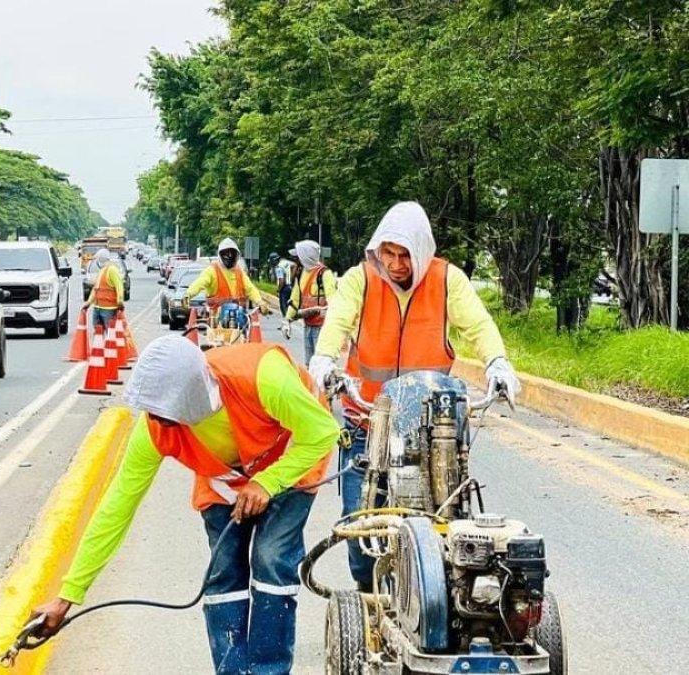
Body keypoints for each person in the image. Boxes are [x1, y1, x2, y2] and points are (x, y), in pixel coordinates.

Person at [30, 336, 340, 674]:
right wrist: (67, 597)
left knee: (271, 557)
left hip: (295, 457)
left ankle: (269, 670)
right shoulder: (155, 429)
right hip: (226, 481)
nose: (157, 422)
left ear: (191, 400)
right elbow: (116, 509)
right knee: (224, 571)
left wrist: (268, 481)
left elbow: (323, 432)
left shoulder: (263, 376)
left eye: (165, 415)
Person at [307, 201, 522, 592]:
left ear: (421, 252)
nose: (395, 263)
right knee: (360, 526)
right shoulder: (361, 279)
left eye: (404, 254)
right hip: (368, 422)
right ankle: (368, 599)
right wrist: (323, 360)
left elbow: (478, 324)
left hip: (434, 428)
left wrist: (497, 363)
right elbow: (337, 321)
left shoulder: (446, 280)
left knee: (446, 523)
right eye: (387, 253)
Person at [283, 240, 337, 363]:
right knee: (309, 363)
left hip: (322, 328)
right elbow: (295, 300)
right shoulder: (302, 273)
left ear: (306, 257)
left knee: (322, 364)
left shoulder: (324, 274)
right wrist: (287, 320)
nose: (297, 259)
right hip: (308, 326)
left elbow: (333, 302)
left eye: (299, 256)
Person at [184, 238, 266, 312]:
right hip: (216, 320)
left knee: (254, 326)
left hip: (240, 319)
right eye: (226, 253)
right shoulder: (212, 271)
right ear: (220, 255)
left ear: (237, 255)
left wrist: (260, 302)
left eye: (232, 253)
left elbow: (250, 289)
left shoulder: (239, 272)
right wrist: (188, 295)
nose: (230, 256)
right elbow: (199, 284)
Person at [83, 248, 125, 332]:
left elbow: (119, 286)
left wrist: (120, 301)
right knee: (98, 333)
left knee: (110, 333)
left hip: (109, 308)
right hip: (98, 308)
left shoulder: (112, 270)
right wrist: (88, 303)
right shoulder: (102, 271)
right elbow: (96, 289)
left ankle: (108, 345)